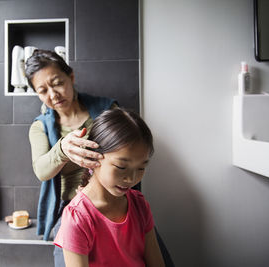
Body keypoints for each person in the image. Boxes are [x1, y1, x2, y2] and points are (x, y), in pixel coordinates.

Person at [26, 49, 117, 266]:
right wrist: (62, 149)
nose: (53, 94)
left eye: (57, 83)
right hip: (72, 208)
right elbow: (41, 170)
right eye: (43, 90)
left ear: (71, 77)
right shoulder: (40, 127)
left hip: (115, 202)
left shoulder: (107, 110)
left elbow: (126, 153)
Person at [54, 108, 165, 267]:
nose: (131, 179)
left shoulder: (139, 205)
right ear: (93, 155)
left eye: (141, 168)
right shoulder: (78, 218)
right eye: (121, 167)